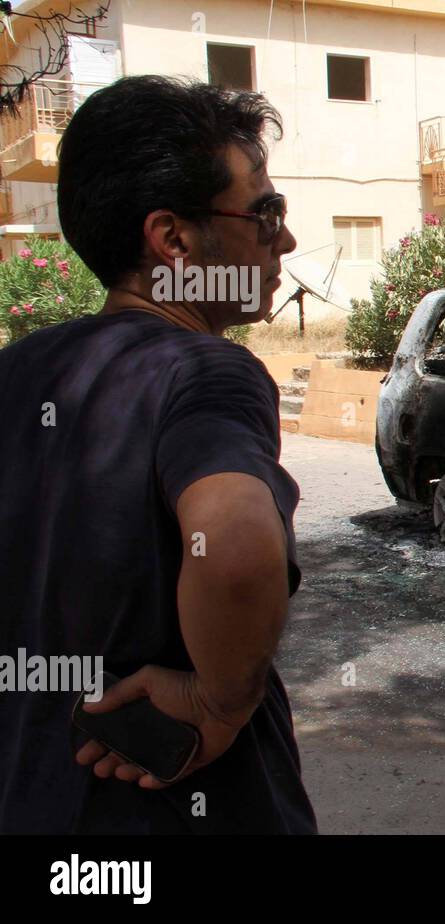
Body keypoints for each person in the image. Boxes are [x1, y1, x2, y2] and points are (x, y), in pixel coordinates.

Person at [0, 75, 316, 833]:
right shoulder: (205, 371)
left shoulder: (18, 371)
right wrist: (217, 704)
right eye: (265, 213)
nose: (287, 241)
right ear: (173, 239)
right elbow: (237, 547)